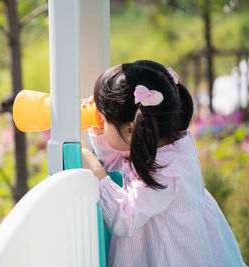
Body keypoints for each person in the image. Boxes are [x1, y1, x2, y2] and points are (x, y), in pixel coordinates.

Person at [81, 60, 246, 267]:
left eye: (104, 121)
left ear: (132, 129)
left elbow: (124, 219)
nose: (100, 124)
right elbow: (119, 155)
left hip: (175, 254)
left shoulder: (167, 171)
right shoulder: (161, 140)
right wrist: (101, 135)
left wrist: (97, 173)